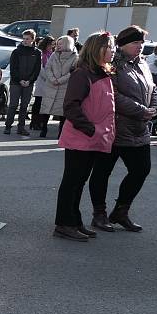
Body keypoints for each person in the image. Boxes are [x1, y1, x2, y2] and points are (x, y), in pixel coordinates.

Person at [88, 25, 157, 233]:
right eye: (136, 43)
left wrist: (154, 108)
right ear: (123, 45)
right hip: (114, 128)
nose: (140, 47)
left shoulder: (142, 63)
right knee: (102, 171)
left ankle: (121, 211)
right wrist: (141, 110)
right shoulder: (113, 64)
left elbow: (151, 88)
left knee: (141, 169)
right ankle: (99, 214)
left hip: (138, 128)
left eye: (141, 43)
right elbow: (112, 95)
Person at [53, 32, 116, 241]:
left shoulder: (101, 73)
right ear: (97, 49)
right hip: (81, 138)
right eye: (109, 46)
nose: (113, 50)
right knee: (72, 181)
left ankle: (75, 220)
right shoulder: (82, 74)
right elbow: (71, 107)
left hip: (92, 138)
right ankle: (64, 223)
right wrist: (91, 129)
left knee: (79, 181)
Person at [39, 36, 78, 138]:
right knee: (47, 109)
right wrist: (52, 79)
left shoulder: (75, 57)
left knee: (62, 112)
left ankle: (61, 132)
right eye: (57, 44)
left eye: (60, 44)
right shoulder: (54, 55)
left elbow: (73, 72)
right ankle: (44, 129)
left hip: (64, 87)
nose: (58, 46)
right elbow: (48, 68)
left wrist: (60, 80)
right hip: (51, 85)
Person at [4, 29, 41, 136]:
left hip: (29, 83)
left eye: (27, 39)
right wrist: (20, 80)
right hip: (16, 82)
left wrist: (29, 81)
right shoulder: (16, 52)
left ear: (33, 40)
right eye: (23, 38)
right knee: (13, 105)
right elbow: (13, 69)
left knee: (24, 106)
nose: (25, 41)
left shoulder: (37, 53)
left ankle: (21, 128)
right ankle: (8, 126)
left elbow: (37, 69)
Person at [30, 36, 55, 131]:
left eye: (52, 45)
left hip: (49, 82)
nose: (51, 47)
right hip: (42, 80)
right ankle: (34, 122)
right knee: (38, 102)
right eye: (50, 45)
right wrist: (48, 77)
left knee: (44, 104)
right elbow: (40, 68)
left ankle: (40, 122)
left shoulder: (51, 54)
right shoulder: (42, 54)